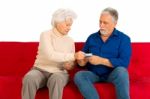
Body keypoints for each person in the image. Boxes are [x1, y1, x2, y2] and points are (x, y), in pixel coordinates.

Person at [74, 7, 131, 99]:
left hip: (112, 74)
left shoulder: (124, 39)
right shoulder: (92, 38)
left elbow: (124, 62)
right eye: (100, 21)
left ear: (115, 24)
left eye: (105, 23)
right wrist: (81, 60)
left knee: (122, 71)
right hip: (94, 74)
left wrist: (101, 61)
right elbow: (82, 62)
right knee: (79, 75)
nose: (101, 25)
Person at [22, 8, 77, 99]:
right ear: (58, 23)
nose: (69, 28)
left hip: (59, 72)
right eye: (67, 25)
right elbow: (50, 55)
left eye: (70, 25)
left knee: (57, 79)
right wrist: (73, 56)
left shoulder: (70, 41)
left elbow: (70, 61)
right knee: (29, 78)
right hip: (40, 70)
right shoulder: (45, 35)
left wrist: (70, 65)